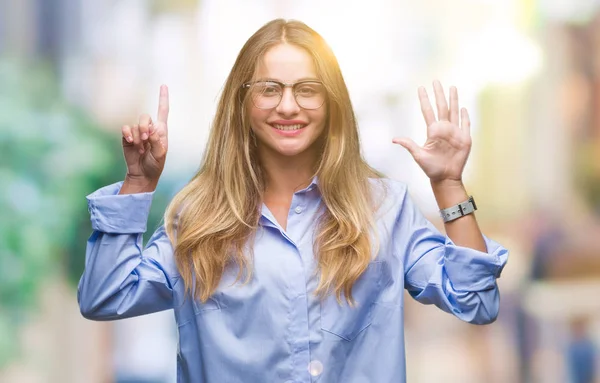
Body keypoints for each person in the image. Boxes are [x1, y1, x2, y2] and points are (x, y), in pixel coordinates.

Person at [78, 18, 508, 383]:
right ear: (243, 101)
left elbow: (475, 300)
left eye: (307, 89)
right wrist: (138, 182)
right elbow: (106, 296)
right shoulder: (198, 216)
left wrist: (449, 184)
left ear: (332, 102)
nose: (288, 106)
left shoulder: (384, 208)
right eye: (269, 88)